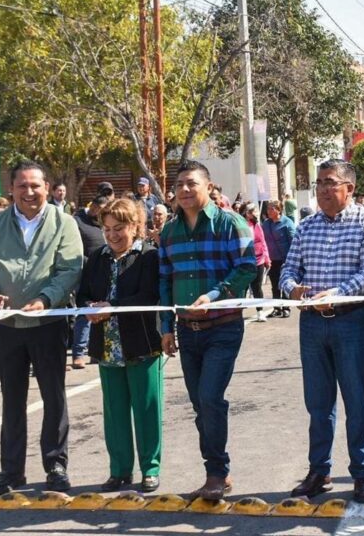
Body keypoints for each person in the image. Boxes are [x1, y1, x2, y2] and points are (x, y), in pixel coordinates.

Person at [280, 159, 364, 504]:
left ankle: (361, 473)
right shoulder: (307, 226)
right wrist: (293, 289)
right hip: (312, 324)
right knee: (318, 403)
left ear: (349, 188)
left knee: (356, 401)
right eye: (319, 183)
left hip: (351, 320)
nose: (324, 189)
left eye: (330, 182)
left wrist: (337, 294)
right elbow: (287, 269)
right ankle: (319, 471)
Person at [0, 160, 83, 495]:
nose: (29, 192)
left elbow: (70, 270)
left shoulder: (64, 224)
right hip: (7, 326)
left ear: (47, 187)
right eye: (22, 185)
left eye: (35, 185)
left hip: (48, 323)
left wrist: (46, 300)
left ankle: (56, 465)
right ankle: (11, 471)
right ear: (12, 189)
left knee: (54, 397)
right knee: (12, 400)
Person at [158, 160, 257, 501]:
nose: (184, 190)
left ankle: (217, 471)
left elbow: (247, 267)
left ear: (209, 187)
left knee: (211, 397)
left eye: (191, 184)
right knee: (200, 403)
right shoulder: (169, 232)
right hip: (187, 330)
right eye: (180, 184)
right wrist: (166, 327)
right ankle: (216, 469)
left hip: (223, 327)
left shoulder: (232, 224)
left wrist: (214, 295)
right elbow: (164, 279)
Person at [76, 199, 163, 493]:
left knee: (146, 409)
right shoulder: (97, 258)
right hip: (107, 346)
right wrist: (89, 306)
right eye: (108, 229)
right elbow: (84, 294)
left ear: (135, 226)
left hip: (141, 344)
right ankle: (119, 471)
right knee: (114, 413)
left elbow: (149, 296)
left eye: (120, 228)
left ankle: (150, 469)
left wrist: (111, 306)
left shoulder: (149, 257)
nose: (113, 235)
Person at [71, 195, 108, 369]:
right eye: (96, 208)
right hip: (84, 272)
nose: (98, 212)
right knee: (85, 313)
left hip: (104, 271)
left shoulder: (103, 223)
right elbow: (73, 248)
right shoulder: (77, 222)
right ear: (92, 206)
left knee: (100, 311)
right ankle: (78, 353)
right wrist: (91, 262)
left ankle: (95, 352)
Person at [262, 199, 296, 318]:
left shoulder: (287, 223)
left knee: (285, 283)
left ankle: (286, 308)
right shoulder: (266, 224)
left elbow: (293, 241)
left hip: (285, 259)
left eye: (272, 208)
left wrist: (292, 259)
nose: (269, 211)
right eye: (268, 208)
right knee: (275, 285)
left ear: (279, 210)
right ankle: (276, 308)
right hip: (272, 260)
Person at [243, 202, 271, 322]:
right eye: (253, 211)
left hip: (258, 260)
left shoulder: (257, 225)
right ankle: (238, 312)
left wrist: (267, 258)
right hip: (244, 260)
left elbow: (263, 241)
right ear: (247, 213)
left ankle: (260, 311)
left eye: (256, 211)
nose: (256, 214)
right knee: (242, 287)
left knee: (257, 287)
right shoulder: (241, 224)